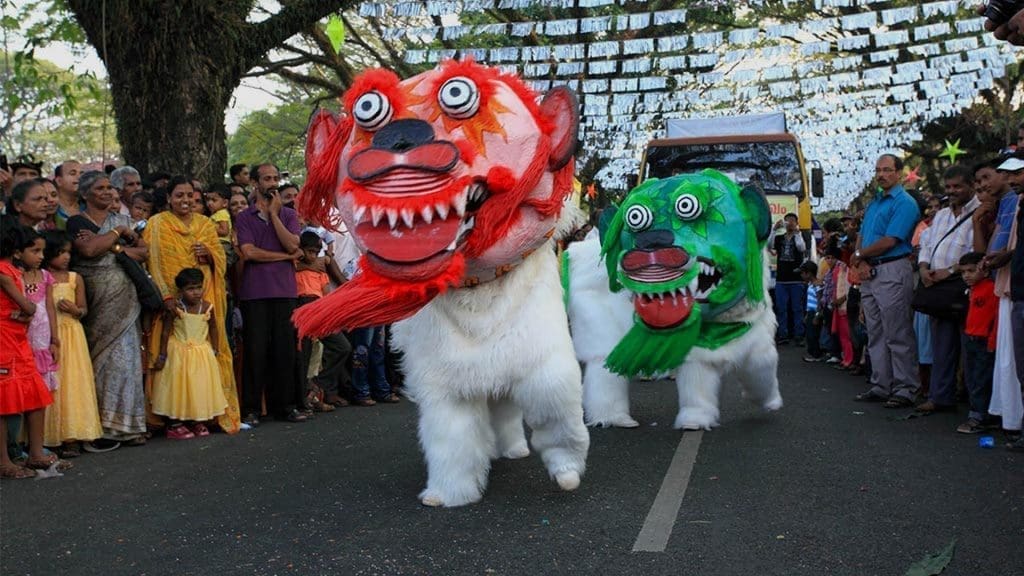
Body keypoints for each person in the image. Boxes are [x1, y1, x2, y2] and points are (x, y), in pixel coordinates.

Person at [142, 177, 240, 434]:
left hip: (201, 298)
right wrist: (166, 296)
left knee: (201, 360)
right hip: (171, 302)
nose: (185, 201)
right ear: (168, 198)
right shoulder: (157, 224)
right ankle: (172, 417)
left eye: (191, 197)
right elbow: (153, 262)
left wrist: (209, 254)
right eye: (179, 196)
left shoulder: (206, 224)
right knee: (172, 360)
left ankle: (201, 414)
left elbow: (220, 257)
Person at [65, 171, 149, 450]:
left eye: (109, 188)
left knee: (128, 360)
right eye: (99, 188)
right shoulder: (77, 221)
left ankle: (128, 426)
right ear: (86, 194)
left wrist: (111, 245)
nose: (107, 192)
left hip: (125, 296)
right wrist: (119, 238)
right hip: (95, 296)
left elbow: (144, 251)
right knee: (99, 359)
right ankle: (100, 426)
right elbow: (88, 250)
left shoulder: (123, 220)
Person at [235, 163, 305, 425]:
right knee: (255, 351)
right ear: (255, 183)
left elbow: (294, 243)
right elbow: (249, 252)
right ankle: (251, 409)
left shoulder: (287, 214)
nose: (272, 182)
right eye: (267, 178)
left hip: (285, 291)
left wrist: (275, 215)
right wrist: (285, 257)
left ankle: (286, 406)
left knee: (285, 351)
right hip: (255, 293)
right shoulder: (244, 217)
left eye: (275, 178)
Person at [852, 154, 921, 408]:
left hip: (892, 269)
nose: (881, 175)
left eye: (887, 170)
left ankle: (906, 388)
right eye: (878, 170)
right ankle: (882, 385)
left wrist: (860, 256)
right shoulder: (874, 203)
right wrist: (860, 260)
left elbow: (890, 240)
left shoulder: (905, 202)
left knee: (897, 333)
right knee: (875, 333)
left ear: (899, 173)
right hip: (870, 272)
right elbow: (862, 235)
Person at [916, 166, 979, 413]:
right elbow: (928, 243)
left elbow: (976, 251)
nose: (952, 192)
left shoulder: (980, 211)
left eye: (957, 187)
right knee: (941, 345)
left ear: (970, 185)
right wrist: (923, 268)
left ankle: (977, 406)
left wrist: (951, 271)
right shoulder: (941, 215)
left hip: (964, 285)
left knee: (971, 346)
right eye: (949, 187)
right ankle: (940, 396)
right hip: (937, 288)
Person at [0, 224, 57, 478]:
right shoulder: (3, 271)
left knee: (35, 393)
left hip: (16, 338)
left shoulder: (12, 270)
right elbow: (30, 308)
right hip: (4, 341)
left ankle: (35, 454)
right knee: (3, 402)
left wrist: (23, 313)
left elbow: (25, 312)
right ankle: (4, 462)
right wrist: (25, 312)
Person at [40, 231, 102, 457]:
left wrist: (76, 311)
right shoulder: (42, 277)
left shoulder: (76, 278)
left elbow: (84, 309)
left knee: (74, 383)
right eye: (60, 252)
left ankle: (73, 435)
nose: (65, 257)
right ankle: (51, 436)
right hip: (49, 336)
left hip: (73, 335)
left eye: (68, 252)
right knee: (54, 383)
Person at [151, 268, 228, 439]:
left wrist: (215, 349)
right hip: (179, 353)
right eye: (190, 289)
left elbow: (214, 328)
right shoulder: (177, 309)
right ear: (181, 291)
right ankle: (175, 423)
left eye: (199, 287)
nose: (196, 292)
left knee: (198, 387)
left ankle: (196, 419)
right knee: (178, 388)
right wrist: (162, 355)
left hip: (201, 353)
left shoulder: (208, 307)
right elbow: (165, 332)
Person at [982, 155, 1024, 441]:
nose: (1012, 179)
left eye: (1018, 173)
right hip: (1014, 288)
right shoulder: (1017, 203)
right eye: (1009, 174)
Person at [296, 231, 351, 411]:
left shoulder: (320, 271)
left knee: (342, 347)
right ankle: (307, 395)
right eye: (309, 251)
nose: (311, 256)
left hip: (319, 310)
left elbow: (327, 293)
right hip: (302, 307)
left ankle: (318, 385)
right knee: (305, 355)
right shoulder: (295, 266)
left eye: (315, 252)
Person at [954, 252, 1000, 434]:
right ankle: (980, 414)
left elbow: (995, 318)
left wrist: (992, 340)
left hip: (984, 340)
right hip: (970, 337)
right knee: (972, 378)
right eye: (963, 272)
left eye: (971, 271)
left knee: (981, 379)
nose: (966, 275)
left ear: (984, 270)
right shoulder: (972, 290)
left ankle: (979, 416)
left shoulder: (991, 288)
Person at [16, 231, 59, 393]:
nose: (41, 256)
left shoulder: (45, 276)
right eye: (35, 251)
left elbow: (50, 307)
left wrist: (54, 340)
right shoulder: (15, 276)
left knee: (41, 381)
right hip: (23, 334)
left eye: (43, 251)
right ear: (18, 253)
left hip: (43, 335)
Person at [771, 212, 806, 345]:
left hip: (796, 279)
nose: (790, 223)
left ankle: (799, 335)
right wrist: (774, 230)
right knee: (781, 308)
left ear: (797, 223)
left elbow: (801, 247)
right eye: (787, 220)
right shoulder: (779, 238)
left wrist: (797, 233)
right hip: (781, 279)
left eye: (792, 220)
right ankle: (783, 335)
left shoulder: (799, 237)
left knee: (797, 308)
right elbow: (769, 246)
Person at [798, 261, 825, 362]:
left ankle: (815, 354)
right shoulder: (810, 284)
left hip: (815, 313)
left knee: (813, 334)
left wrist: (817, 315)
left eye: (803, 273)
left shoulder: (817, 285)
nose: (801, 275)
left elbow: (820, 302)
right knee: (809, 334)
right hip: (810, 312)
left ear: (809, 273)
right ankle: (812, 352)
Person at [54, 160, 82, 229]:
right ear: (59, 181)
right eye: (73, 173)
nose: (79, 177)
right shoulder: (50, 208)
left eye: (81, 174)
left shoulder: (88, 207)